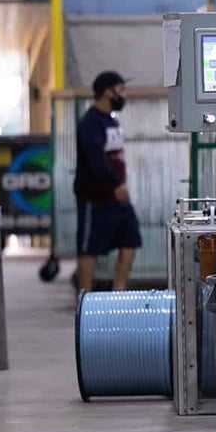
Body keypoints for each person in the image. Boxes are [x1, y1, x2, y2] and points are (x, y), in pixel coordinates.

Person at [74, 71, 141, 293]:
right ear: (107, 92)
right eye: (120, 90)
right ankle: (85, 297)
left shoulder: (111, 120)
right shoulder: (90, 123)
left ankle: (118, 292)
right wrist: (115, 184)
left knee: (130, 239)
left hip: (117, 196)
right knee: (89, 248)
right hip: (95, 197)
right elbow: (96, 161)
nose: (123, 95)